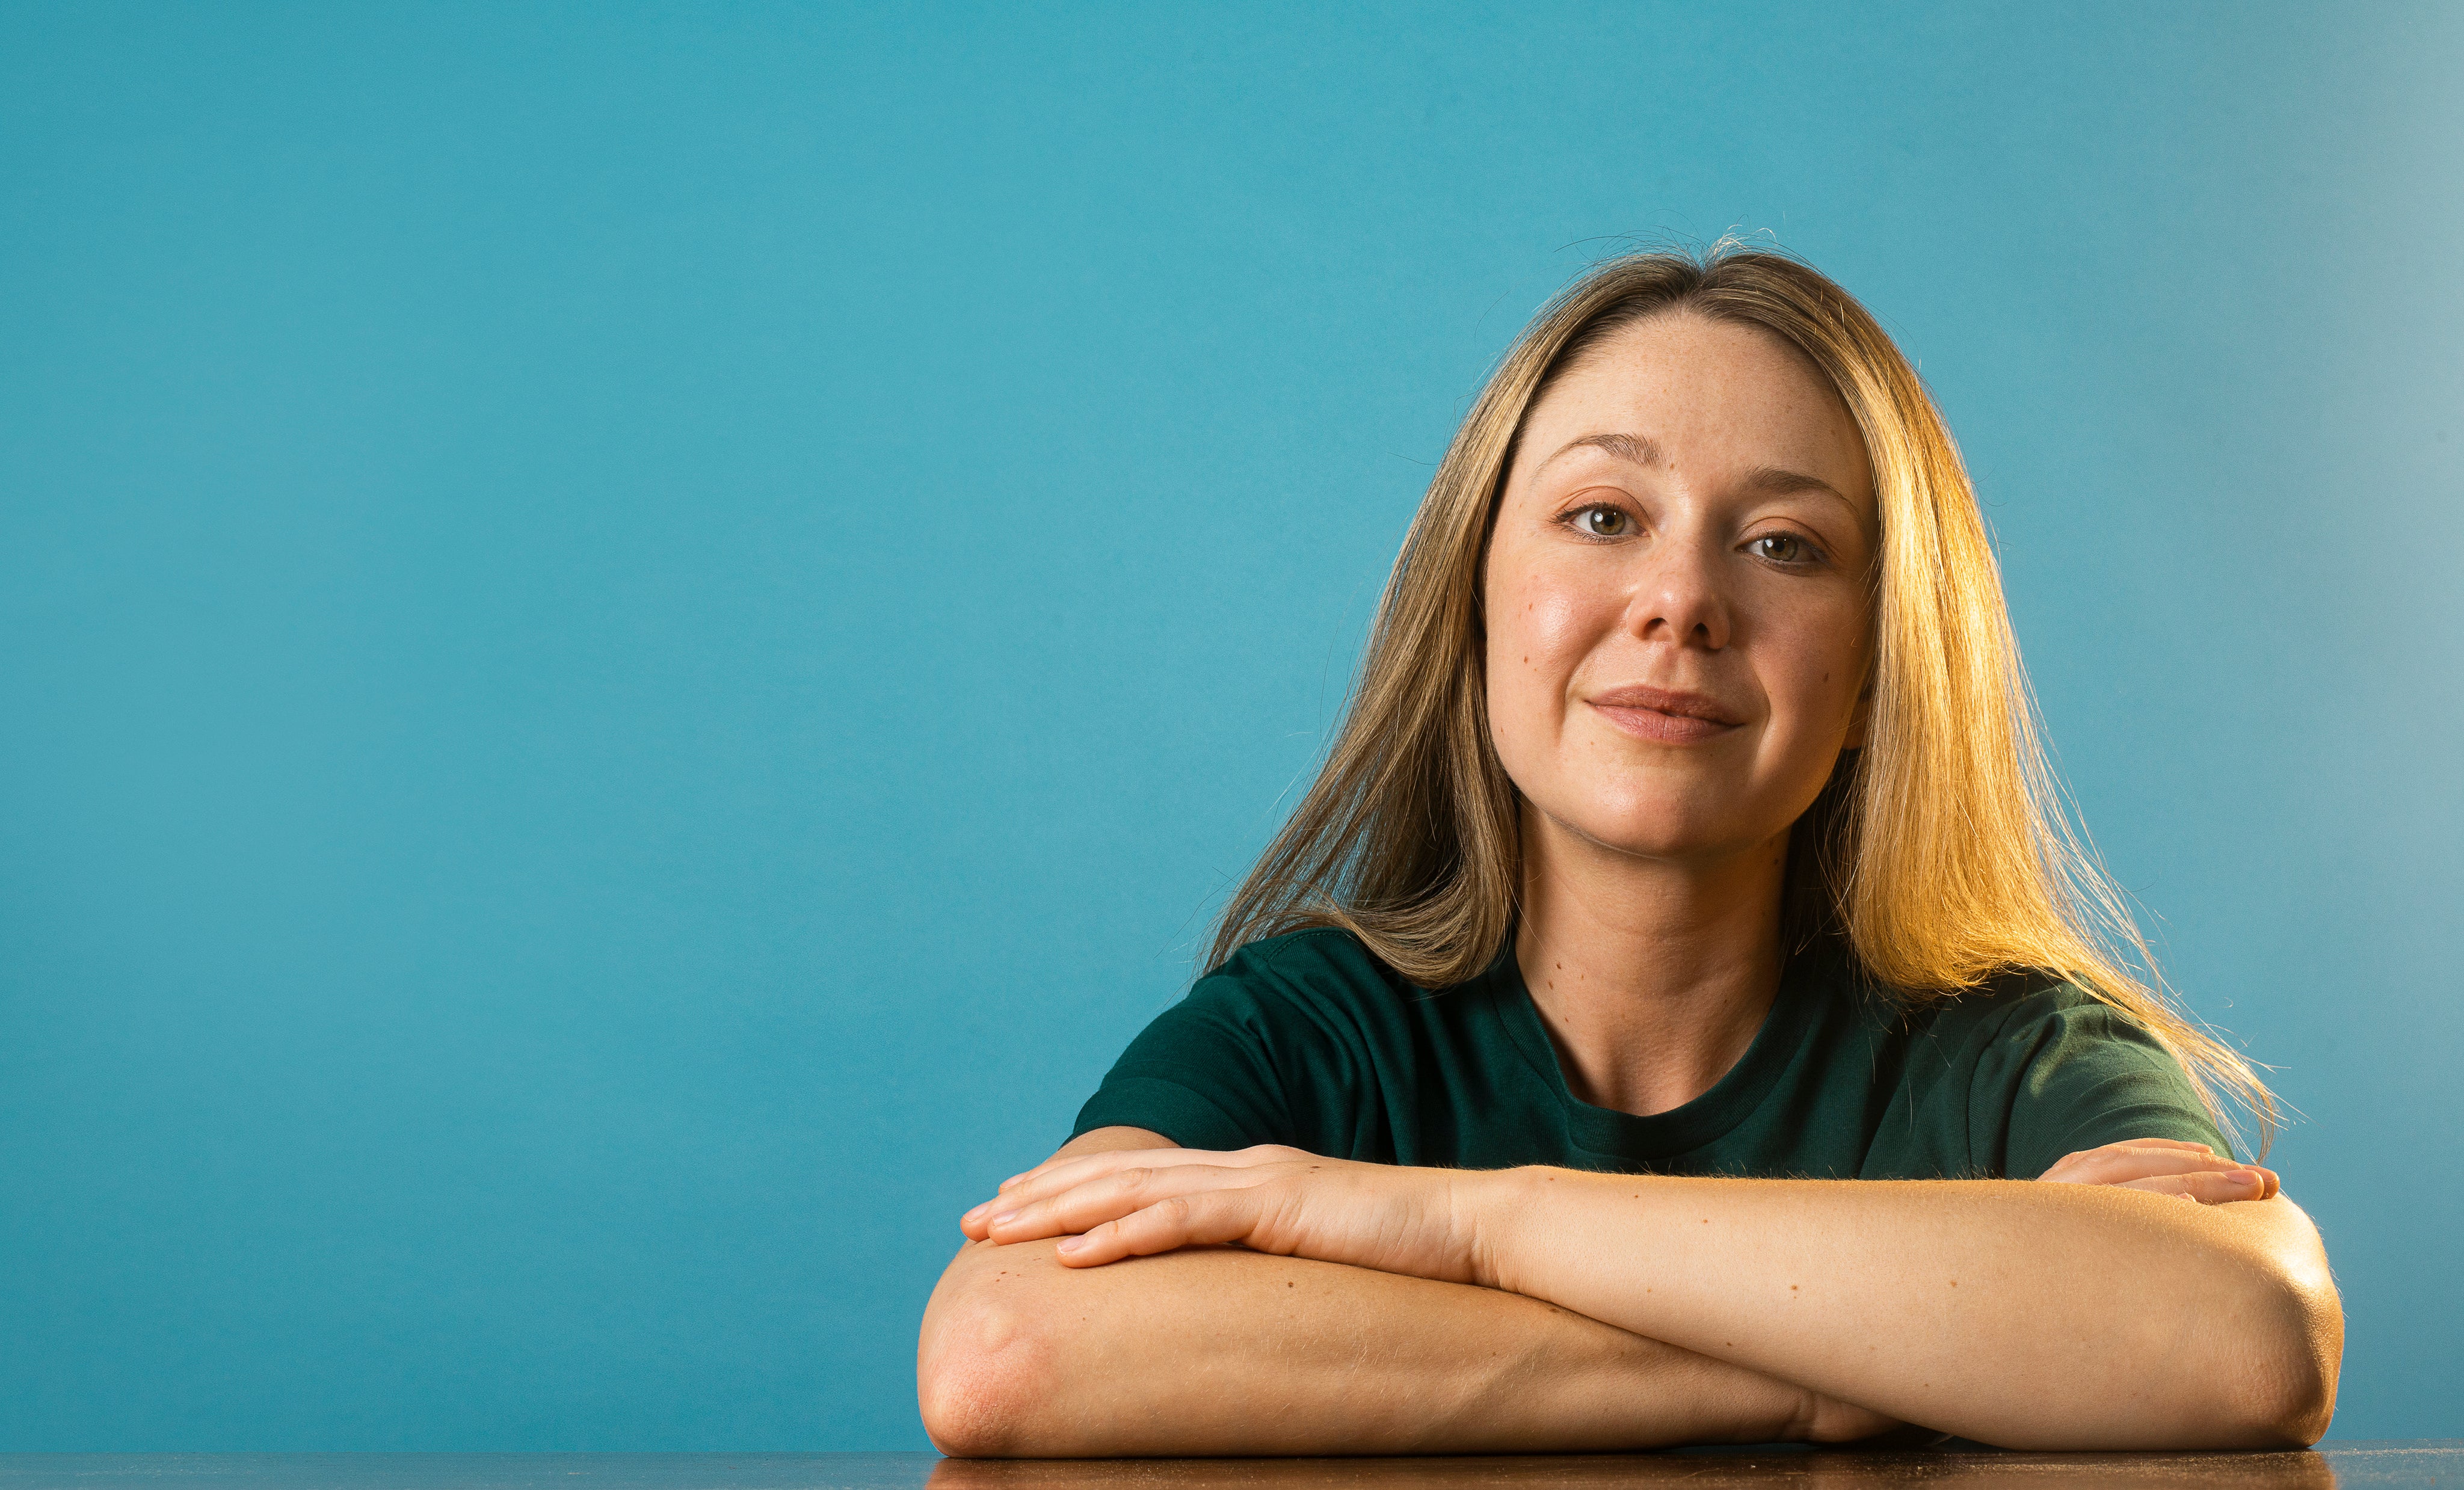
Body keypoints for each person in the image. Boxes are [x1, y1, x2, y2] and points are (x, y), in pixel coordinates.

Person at [915, 248, 2342, 1457]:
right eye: (1603, 517)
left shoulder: (2010, 1053)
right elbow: (1005, 1350)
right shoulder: (1313, 1032)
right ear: (1471, 608)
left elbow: (2247, 1336)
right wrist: (1840, 1359)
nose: (1677, 601)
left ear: (1874, 676)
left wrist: (1458, 1228)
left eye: (1782, 545)